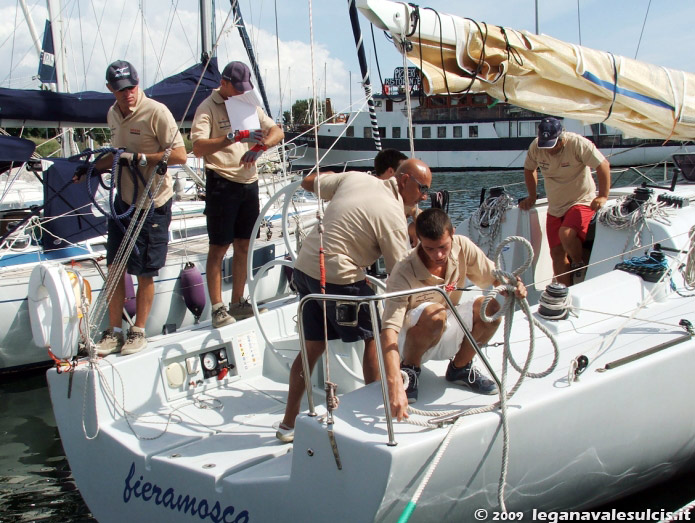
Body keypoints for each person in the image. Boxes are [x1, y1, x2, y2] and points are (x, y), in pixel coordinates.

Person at [276, 158, 432, 442]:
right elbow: (401, 274)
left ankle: (288, 424)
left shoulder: (356, 178)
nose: (424, 196)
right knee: (373, 336)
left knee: (312, 348)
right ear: (405, 180)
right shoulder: (392, 216)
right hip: (339, 277)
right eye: (422, 189)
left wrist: (334, 176)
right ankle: (374, 418)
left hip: (305, 268)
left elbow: (308, 181)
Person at [77, 60, 187, 356]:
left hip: (152, 203)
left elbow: (179, 155)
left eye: (132, 87)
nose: (128, 94)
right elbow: (115, 155)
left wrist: (140, 157)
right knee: (114, 268)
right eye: (121, 89)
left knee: (144, 272)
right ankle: (113, 332)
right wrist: (89, 168)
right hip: (124, 201)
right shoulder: (113, 114)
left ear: (138, 84)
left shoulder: (156, 111)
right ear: (111, 90)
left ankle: (137, 331)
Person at [381, 208, 527, 421]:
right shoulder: (403, 271)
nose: (438, 255)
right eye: (430, 248)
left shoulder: (463, 247)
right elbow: (389, 331)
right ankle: (410, 370)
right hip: (410, 337)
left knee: (492, 309)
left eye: (443, 247)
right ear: (418, 240)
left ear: (453, 234)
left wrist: (514, 285)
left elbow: (494, 278)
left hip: (446, 320)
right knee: (435, 313)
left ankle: (460, 367)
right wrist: (394, 384)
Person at [191, 61, 284, 327]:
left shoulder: (247, 103)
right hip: (222, 180)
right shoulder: (207, 108)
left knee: (244, 244)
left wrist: (260, 146)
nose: (241, 92)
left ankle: (238, 302)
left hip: (248, 182)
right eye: (237, 87)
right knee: (218, 247)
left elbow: (277, 130)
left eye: (245, 88)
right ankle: (218, 307)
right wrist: (232, 137)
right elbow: (198, 147)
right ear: (224, 82)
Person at [519, 117, 610, 286]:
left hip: (581, 199)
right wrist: (532, 196)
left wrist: (603, 195)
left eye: (552, 144)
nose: (549, 149)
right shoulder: (536, 147)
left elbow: (603, 164)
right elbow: (529, 168)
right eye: (545, 144)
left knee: (566, 233)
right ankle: (563, 291)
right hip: (555, 205)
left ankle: (579, 264)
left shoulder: (578, 144)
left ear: (562, 138)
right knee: (556, 254)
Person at [373, 148, 420, 247]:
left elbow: (416, 213)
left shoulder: (395, 195)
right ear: (390, 171)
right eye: (403, 172)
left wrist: (417, 230)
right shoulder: (375, 192)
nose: (406, 178)